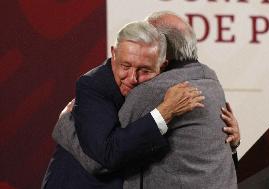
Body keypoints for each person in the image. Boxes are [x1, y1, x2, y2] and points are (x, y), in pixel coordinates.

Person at [52, 11, 241, 189]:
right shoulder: (211, 81)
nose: (133, 77)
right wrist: (233, 145)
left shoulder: (154, 90)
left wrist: (65, 126)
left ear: (161, 53)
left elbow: (101, 160)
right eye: (125, 65)